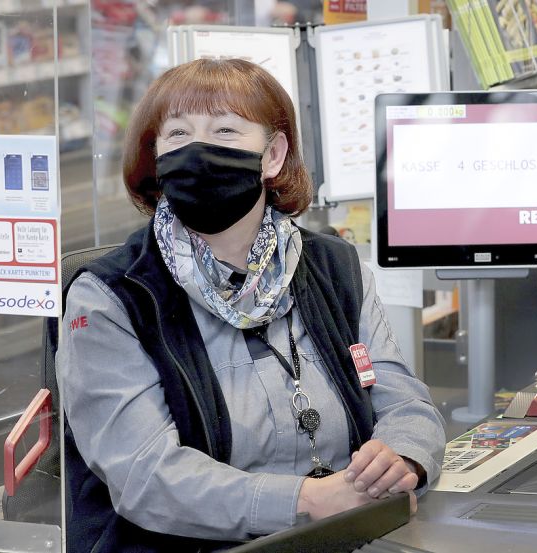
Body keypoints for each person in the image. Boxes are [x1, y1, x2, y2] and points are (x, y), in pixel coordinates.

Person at [56, 58, 446, 552]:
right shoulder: (113, 296)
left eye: (224, 130)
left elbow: (401, 396)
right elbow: (146, 475)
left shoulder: (333, 267)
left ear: (273, 155)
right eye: (177, 135)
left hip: (347, 532)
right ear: (154, 157)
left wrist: (404, 456)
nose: (199, 151)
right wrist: (306, 500)